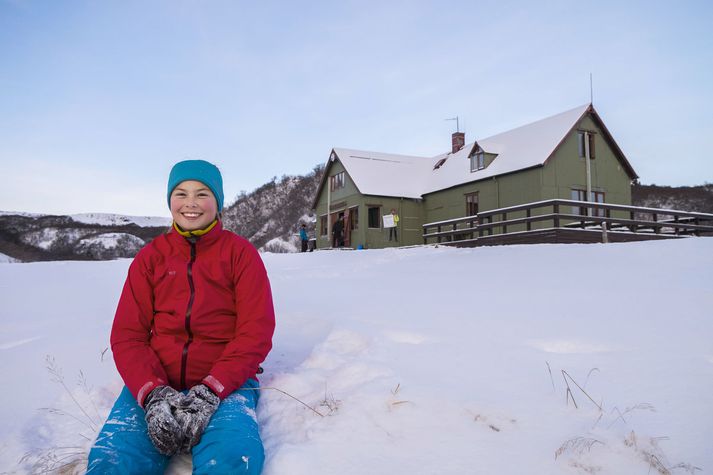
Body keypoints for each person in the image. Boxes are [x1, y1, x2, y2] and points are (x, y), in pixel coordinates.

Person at [87, 160, 276, 474]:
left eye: (202, 194)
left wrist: (212, 389)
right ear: (169, 201)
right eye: (181, 193)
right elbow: (127, 335)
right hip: (157, 383)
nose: (191, 203)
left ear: (218, 203)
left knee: (233, 458)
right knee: (114, 460)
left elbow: (255, 331)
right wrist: (152, 393)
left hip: (226, 386)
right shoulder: (151, 258)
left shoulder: (240, 254)